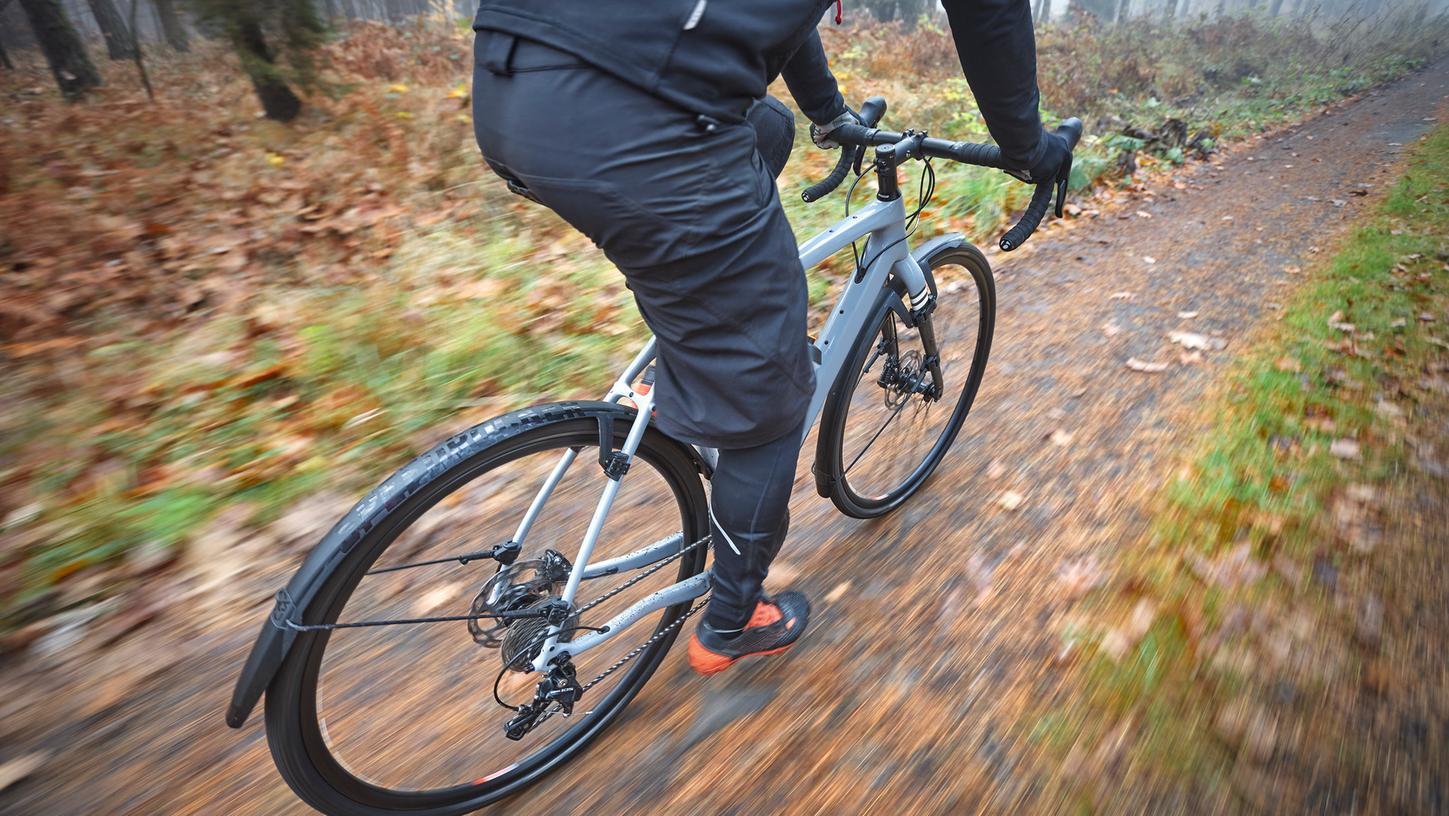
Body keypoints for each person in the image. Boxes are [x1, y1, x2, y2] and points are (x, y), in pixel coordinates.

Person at [469, 0, 1071, 676]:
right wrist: (1027, 147)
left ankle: (691, 359)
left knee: (766, 129)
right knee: (772, 390)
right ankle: (732, 620)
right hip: (634, 117)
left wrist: (827, 112)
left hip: (511, 86)